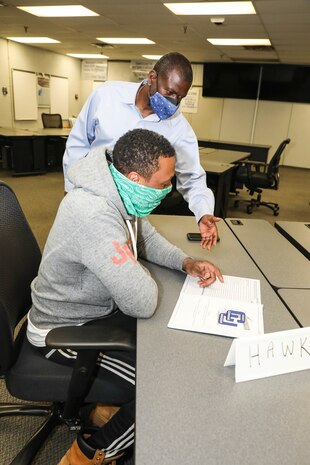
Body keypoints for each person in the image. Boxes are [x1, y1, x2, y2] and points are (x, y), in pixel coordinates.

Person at [27, 128, 223, 465]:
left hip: (93, 311)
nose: (169, 189)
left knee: (170, 351)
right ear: (134, 177)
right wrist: (130, 266)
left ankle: (106, 411)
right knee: (166, 383)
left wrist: (185, 262)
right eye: (164, 183)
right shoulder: (93, 214)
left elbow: (142, 233)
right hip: (62, 332)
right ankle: (88, 455)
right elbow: (143, 302)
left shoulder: (116, 189)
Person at [63, 52, 220, 250]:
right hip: (91, 194)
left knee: (122, 256)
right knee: (79, 249)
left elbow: (193, 178)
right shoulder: (107, 95)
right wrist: (70, 189)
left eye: (180, 97)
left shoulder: (179, 128)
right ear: (152, 77)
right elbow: (78, 143)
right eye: (170, 92)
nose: (173, 102)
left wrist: (203, 213)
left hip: (133, 208)